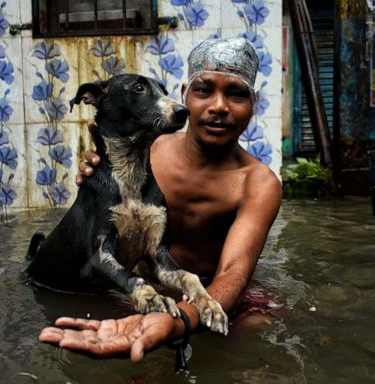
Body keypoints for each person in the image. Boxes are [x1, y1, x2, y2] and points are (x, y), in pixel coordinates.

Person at [39, 37, 282, 362]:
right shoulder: (148, 149)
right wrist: (93, 169)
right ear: (184, 95)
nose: (220, 106)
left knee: (255, 329)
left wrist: (180, 320)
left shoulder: (258, 183)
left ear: (254, 104)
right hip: (145, 279)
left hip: (210, 288)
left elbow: (233, 274)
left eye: (237, 94)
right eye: (204, 90)